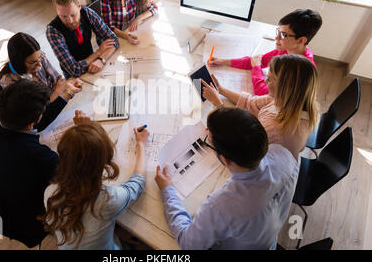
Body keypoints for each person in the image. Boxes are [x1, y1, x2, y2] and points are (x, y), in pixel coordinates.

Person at [155, 107, 299, 250]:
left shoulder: (221, 206)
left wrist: (167, 190)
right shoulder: (285, 155)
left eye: (209, 141)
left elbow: (188, 243)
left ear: (225, 159)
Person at [41, 111, 149, 250]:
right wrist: (141, 143)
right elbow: (138, 182)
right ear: (103, 162)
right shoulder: (108, 199)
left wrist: (86, 131)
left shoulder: (50, 192)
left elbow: (82, 220)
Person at [0, 80, 63, 248]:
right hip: (35, 219)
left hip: (5, 205)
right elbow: (73, 174)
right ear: (32, 124)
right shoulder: (39, 156)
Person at [202, 54, 318, 160]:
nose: (265, 80)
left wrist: (218, 106)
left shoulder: (273, 128)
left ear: (285, 88)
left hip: (261, 168)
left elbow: (239, 149)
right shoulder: (291, 101)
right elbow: (250, 102)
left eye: (270, 78)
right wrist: (222, 90)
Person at [209, 9, 322, 95]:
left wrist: (256, 68)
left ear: (301, 40)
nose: (276, 37)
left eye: (283, 34)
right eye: (278, 31)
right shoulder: (286, 50)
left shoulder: (299, 70)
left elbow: (263, 92)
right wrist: (224, 61)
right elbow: (257, 61)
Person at [46, 0, 119, 78]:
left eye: (73, 14)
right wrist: (99, 52)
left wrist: (101, 59)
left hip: (94, 63)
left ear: (79, 6)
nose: (70, 21)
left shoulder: (87, 13)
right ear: (57, 12)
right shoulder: (52, 31)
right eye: (64, 17)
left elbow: (113, 39)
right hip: (74, 78)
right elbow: (74, 70)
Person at [0, 32, 83, 104]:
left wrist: (66, 87)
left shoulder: (40, 57)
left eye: (39, 58)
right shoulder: (8, 81)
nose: (40, 65)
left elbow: (60, 81)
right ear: (19, 62)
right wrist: (57, 92)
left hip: (57, 104)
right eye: (33, 62)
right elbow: (37, 113)